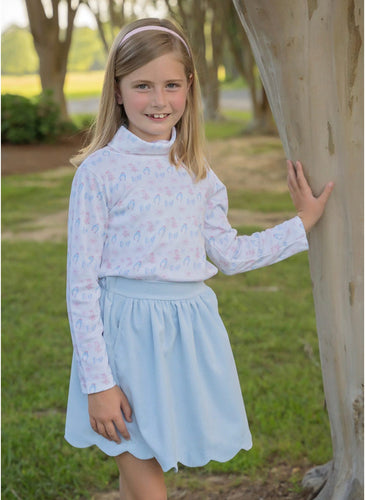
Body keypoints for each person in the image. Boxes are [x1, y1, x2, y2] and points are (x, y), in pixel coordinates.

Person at [64, 17, 334, 500]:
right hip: (125, 342)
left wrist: (302, 225)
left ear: (189, 88)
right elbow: (81, 286)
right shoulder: (100, 173)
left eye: (171, 85)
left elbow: (229, 253)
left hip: (184, 340)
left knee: (137, 484)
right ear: (119, 92)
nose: (158, 100)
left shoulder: (197, 173)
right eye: (142, 86)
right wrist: (98, 382)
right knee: (150, 490)